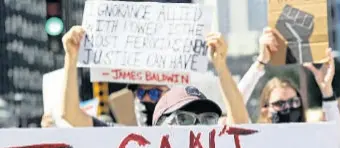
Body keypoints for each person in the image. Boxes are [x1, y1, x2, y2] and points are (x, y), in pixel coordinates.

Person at [58, 26, 249, 127]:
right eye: (140, 93)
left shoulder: (196, 134)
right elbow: (71, 116)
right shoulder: (122, 139)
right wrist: (71, 58)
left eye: (156, 94)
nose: (148, 99)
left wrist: (221, 66)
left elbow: (239, 123)